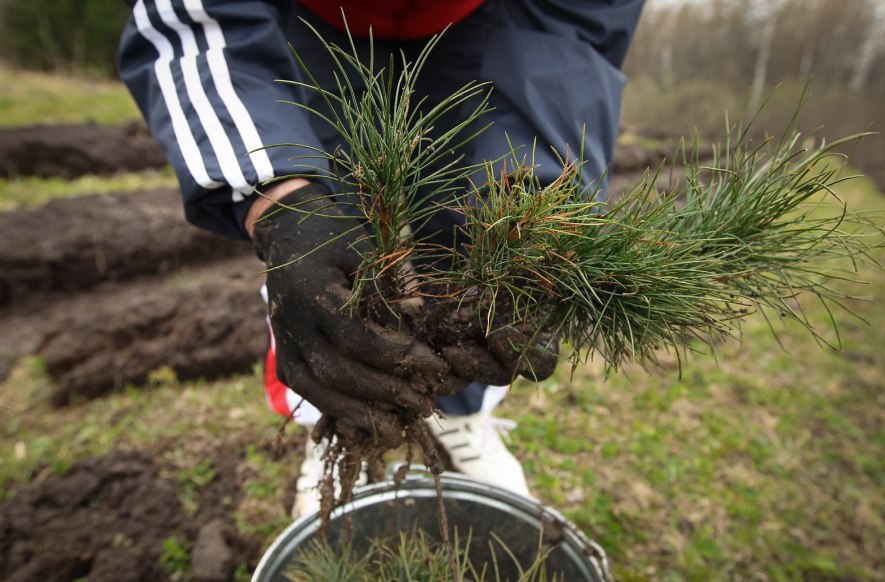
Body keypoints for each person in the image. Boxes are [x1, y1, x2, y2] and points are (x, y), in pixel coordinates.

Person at [118, 0, 644, 518]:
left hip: (485, 17)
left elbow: (572, 28)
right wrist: (278, 196)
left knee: (476, 239)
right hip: (308, 14)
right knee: (324, 256)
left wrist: (533, 200)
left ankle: (456, 415)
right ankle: (342, 427)